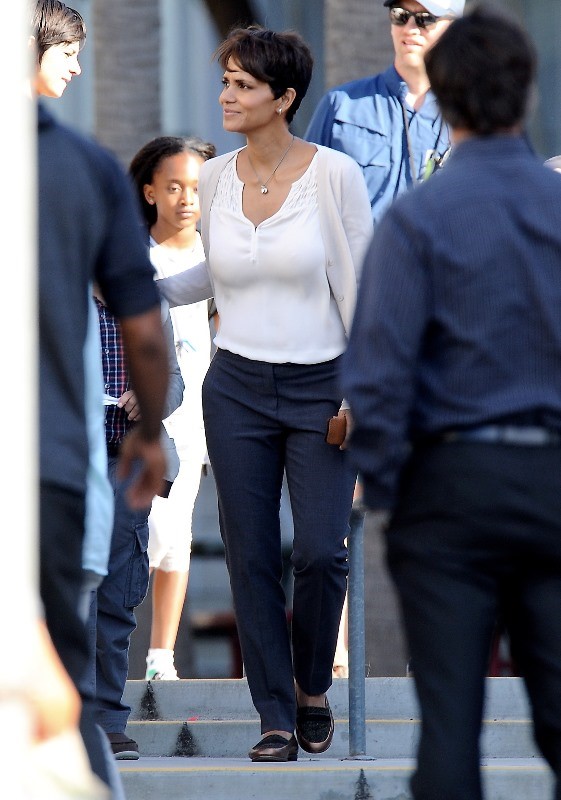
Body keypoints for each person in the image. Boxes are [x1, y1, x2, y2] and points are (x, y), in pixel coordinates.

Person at [341, 6, 561, 799]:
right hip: (553, 482)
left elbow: (375, 373)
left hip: (446, 489)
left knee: (447, 732)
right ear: (526, 94)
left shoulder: (415, 219)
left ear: (441, 93)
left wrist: (392, 493)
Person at [156, 25, 372, 762]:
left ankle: (312, 684)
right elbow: (212, 275)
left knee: (318, 552)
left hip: (323, 388)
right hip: (237, 387)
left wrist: (362, 394)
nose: (226, 95)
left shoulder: (334, 175)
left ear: (283, 98)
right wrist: (136, 285)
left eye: (243, 85)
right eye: (225, 81)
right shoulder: (216, 177)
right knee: (248, 556)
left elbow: (362, 291)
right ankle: (275, 714)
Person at [38, 94, 169, 791]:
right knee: (63, 640)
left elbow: (150, 339)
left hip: (94, 461)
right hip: (55, 465)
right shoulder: (82, 169)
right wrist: (152, 436)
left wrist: (149, 419)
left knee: (113, 598)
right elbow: (148, 337)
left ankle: (105, 721)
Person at [129, 135, 216, 682]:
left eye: (196, 188)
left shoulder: (218, 253)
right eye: (174, 187)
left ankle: (161, 657)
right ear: (150, 192)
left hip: (198, 411)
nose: (186, 199)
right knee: (140, 528)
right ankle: (110, 645)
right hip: (139, 412)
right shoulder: (133, 256)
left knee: (176, 530)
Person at [305, 0, 464, 224]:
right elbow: (302, 205)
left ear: (453, 28)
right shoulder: (340, 105)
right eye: (400, 15)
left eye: (425, 19)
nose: (410, 28)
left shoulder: (469, 120)